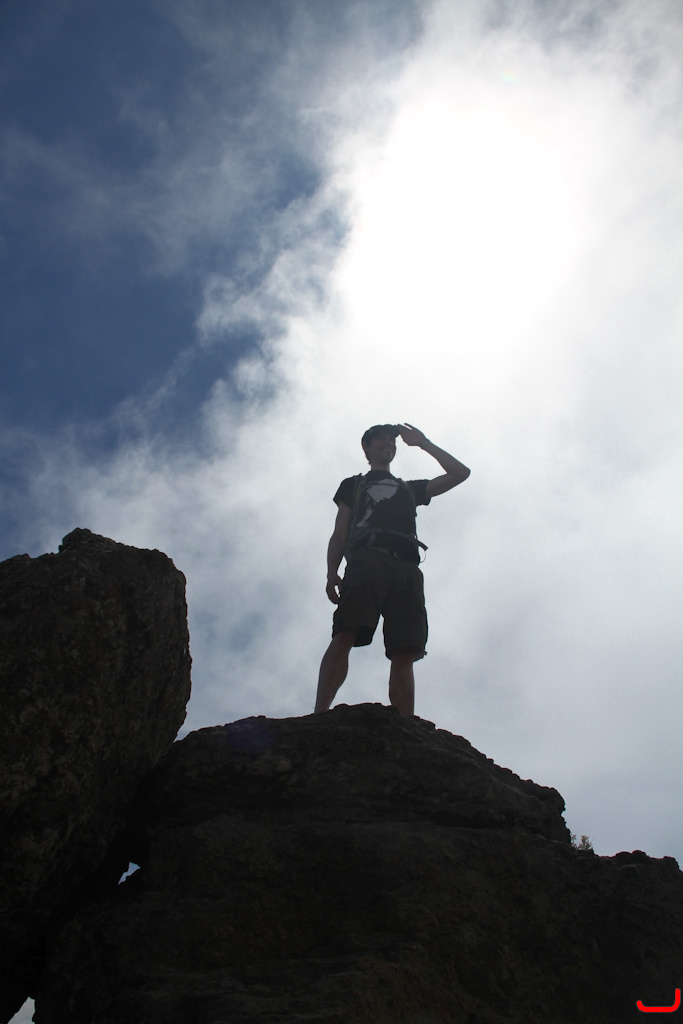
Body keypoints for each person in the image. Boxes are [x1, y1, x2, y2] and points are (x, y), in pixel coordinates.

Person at [314, 422, 470, 717]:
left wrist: (424, 443)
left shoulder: (410, 489)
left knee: (405, 649)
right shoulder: (354, 484)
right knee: (346, 631)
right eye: (381, 440)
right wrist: (332, 571)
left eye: (392, 441)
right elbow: (340, 530)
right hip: (367, 558)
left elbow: (460, 473)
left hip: (407, 566)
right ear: (367, 448)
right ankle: (320, 711)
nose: (388, 444)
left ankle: (405, 725)